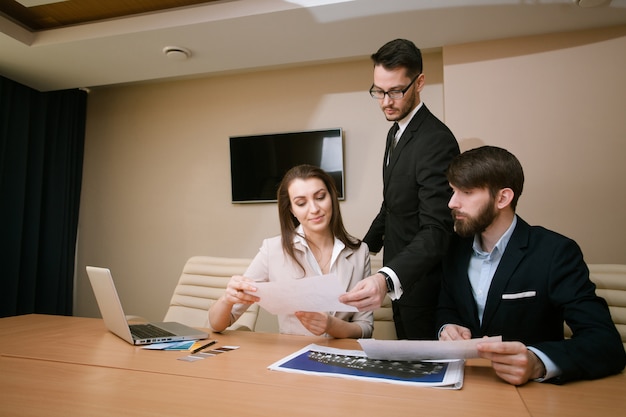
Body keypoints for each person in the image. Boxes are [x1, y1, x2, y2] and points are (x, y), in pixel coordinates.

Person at [438, 145, 626, 385]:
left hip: (530, 395)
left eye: (466, 192)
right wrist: (447, 326)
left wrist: (537, 362)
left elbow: (605, 343)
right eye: (453, 191)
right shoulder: (454, 249)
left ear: (503, 197)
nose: (452, 203)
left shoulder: (555, 253)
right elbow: (447, 308)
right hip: (466, 386)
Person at [339, 39, 459, 340]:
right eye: (378, 91)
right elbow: (392, 205)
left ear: (419, 82)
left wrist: (386, 278)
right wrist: (359, 250)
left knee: (424, 373)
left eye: (395, 91)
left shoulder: (435, 140)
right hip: (399, 279)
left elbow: (437, 229)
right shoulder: (396, 132)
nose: (385, 101)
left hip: (424, 283)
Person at [208, 164, 373, 338]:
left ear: (331, 197)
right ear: (292, 210)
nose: (314, 209)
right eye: (301, 203)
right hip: (292, 356)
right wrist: (227, 299)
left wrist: (331, 325)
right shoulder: (272, 251)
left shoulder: (360, 252)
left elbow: (365, 328)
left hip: (343, 358)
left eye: (320, 197)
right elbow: (217, 324)